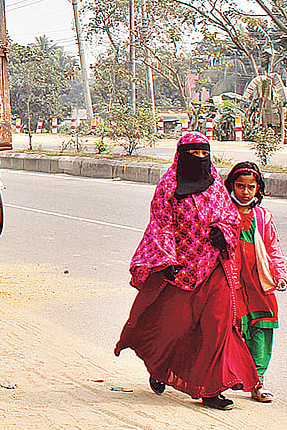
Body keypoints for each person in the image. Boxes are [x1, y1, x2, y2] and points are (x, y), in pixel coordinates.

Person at [115, 131, 261, 409]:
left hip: (216, 266)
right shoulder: (167, 188)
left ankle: (211, 389)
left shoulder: (216, 184)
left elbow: (230, 217)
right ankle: (159, 368)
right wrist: (166, 260)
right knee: (173, 327)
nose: (200, 159)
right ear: (181, 156)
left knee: (218, 327)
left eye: (204, 154)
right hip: (181, 270)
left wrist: (224, 233)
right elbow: (159, 226)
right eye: (194, 155)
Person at [225, 160, 287, 402]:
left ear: (258, 188)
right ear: (232, 185)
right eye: (240, 186)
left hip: (259, 284)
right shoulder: (222, 213)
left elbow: (273, 249)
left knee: (261, 331)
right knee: (230, 332)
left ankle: (257, 382)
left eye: (251, 187)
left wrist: (279, 275)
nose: (245, 192)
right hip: (230, 283)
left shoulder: (263, 217)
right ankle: (225, 379)